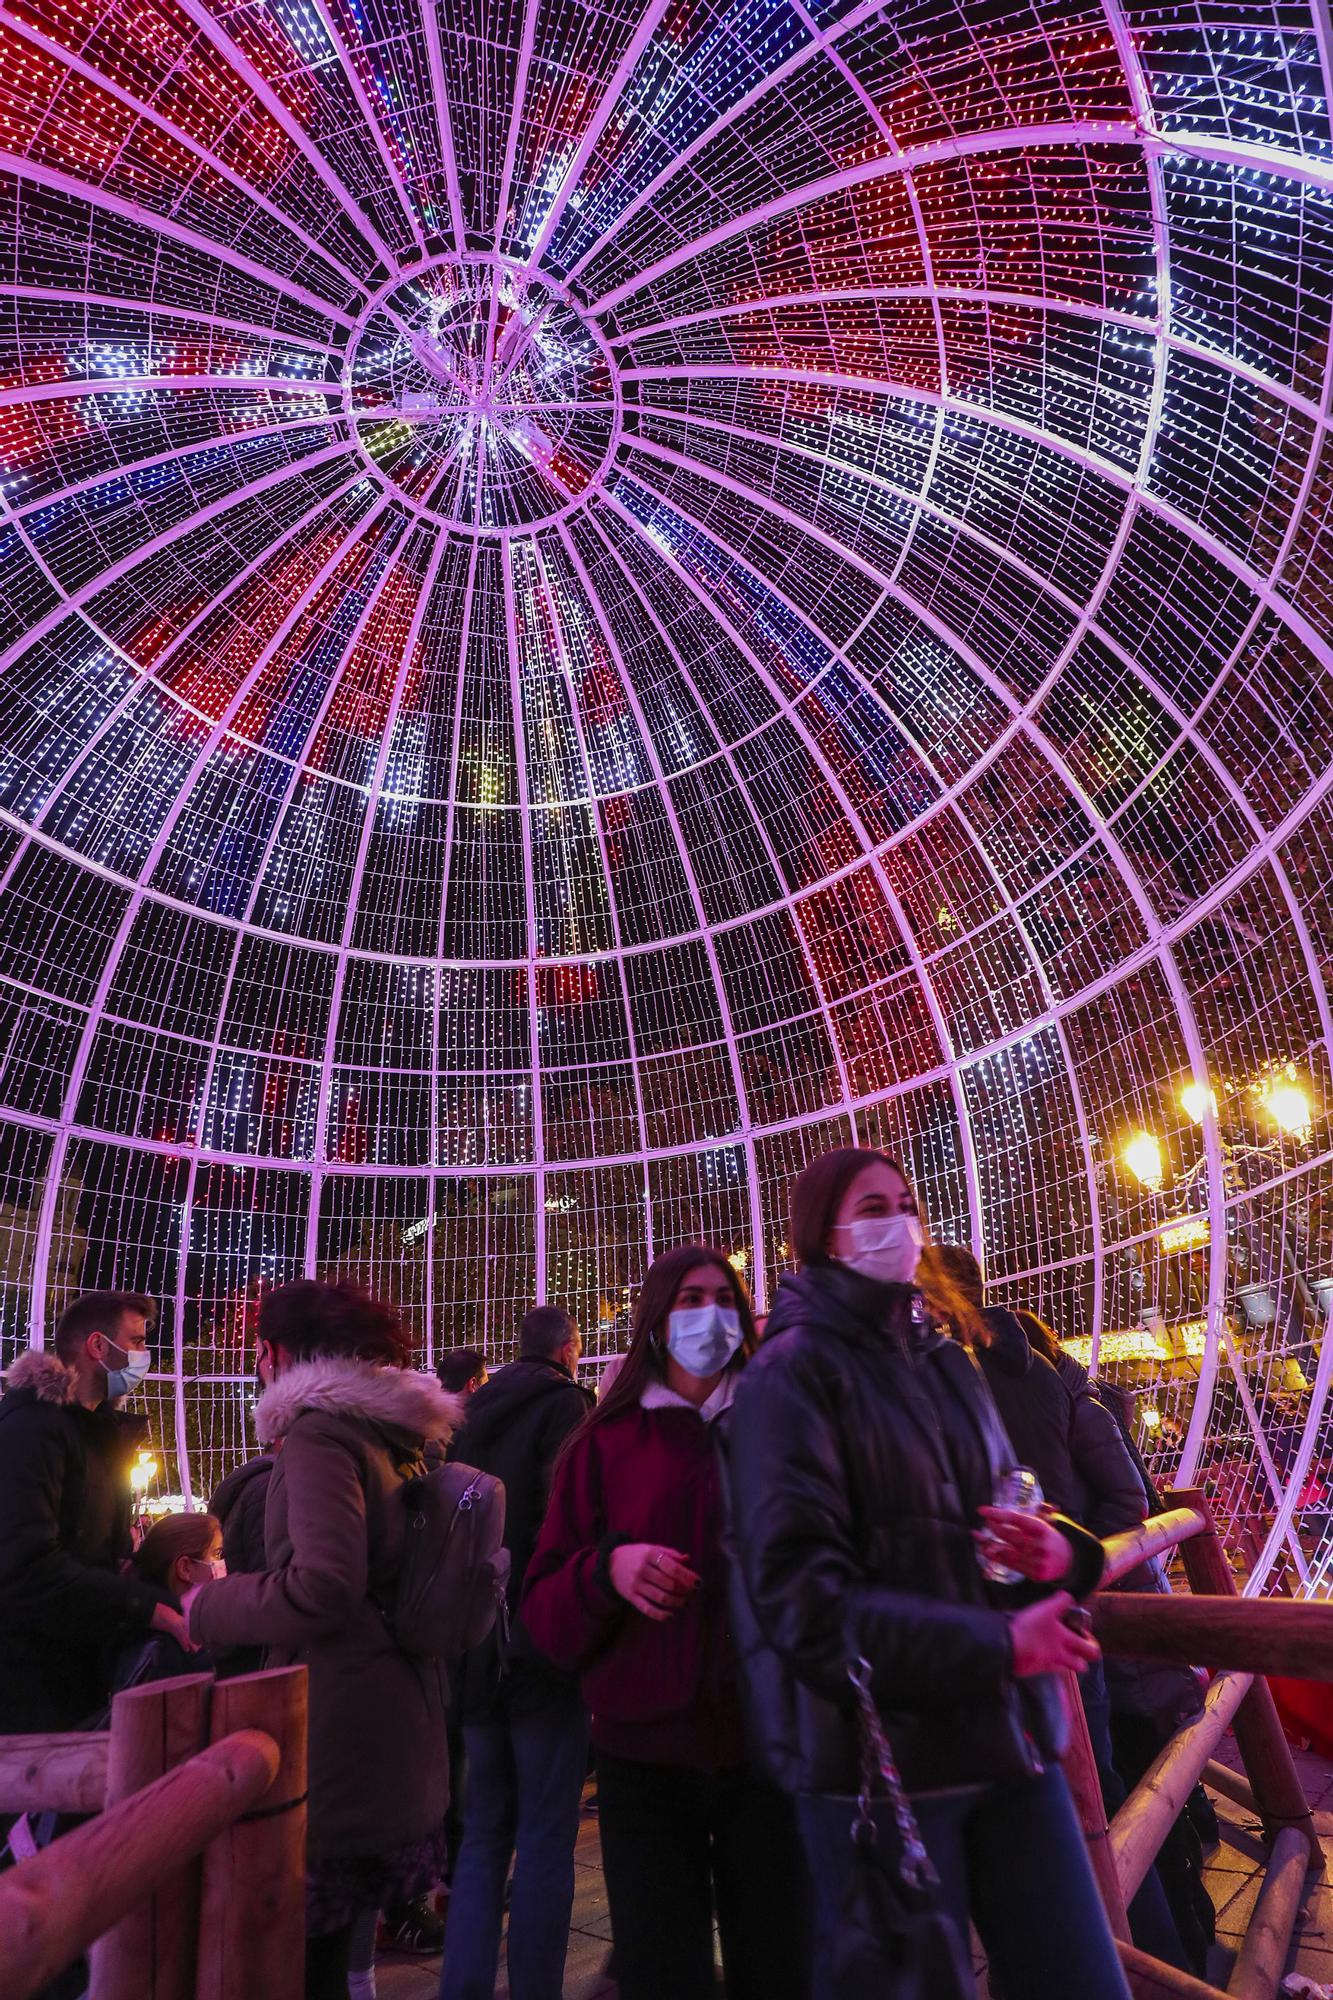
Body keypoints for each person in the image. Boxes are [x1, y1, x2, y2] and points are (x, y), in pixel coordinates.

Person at [726, 1147, 1130, 2000]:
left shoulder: (946, 1359)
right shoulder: (789, 1375)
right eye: (872, 1207)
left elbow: (1000, 1510)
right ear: (824, 1236)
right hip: (880, 1774)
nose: (898, 1222)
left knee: (1081, 1977)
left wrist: (1064, 1551)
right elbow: (800, 1601)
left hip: (1007, 1742)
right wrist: (997, 1643)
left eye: (905, 1202)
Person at [523, 1246, 807, 2000]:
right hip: (642, 1759)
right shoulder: (603, 1444)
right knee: (661, 1968)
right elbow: (543, 1609)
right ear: (655, 1319)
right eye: (688, 1298)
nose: (707, 1313)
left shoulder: (783, 1425)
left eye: (723, 1296)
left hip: (770, 1750)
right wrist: (605, 1569)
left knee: (781, 1963)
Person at [182, 1278, 462, 2000]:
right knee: (334, 1961)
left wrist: (210, 1602)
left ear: (271, 1353)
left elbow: (322, 1584)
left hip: (340, 1732)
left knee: (303, 1968)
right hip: (396, 1717)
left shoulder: (318, 1433)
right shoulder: (387, 1433)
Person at [439, 1305, 594, 2000]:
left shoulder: (465, 1415)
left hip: (473, 1648)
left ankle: (461, 1987)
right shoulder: (567, 1407)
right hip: (540, 1647)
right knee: (544, 1838)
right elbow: (575, 1519)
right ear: (567, 1351)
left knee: (480, 1837)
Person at [0, 1291, 190, 1732]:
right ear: (98, 1347)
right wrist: (147, 1608)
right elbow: (26, 1566)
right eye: (138, 1341)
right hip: (25, 1688)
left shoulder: (98, 1434)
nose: (146, 1355)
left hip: (74, 1671)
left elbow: (102, 1550)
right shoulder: (31, 1429)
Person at [112, 1512, 223, 1690]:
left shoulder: (147, 1630)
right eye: (217, 1554)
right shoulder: (169, 1649)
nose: (222, 1564)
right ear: (185, 1568)